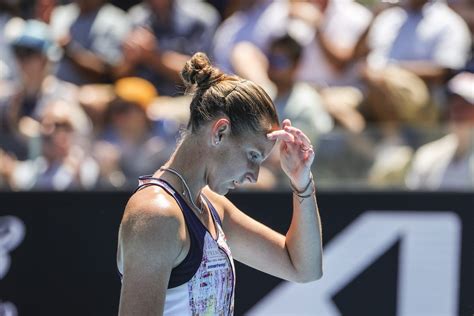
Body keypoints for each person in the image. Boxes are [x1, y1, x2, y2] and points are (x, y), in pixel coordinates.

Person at [117, 52, 323, 315]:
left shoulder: (212, 207)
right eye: (253, 156)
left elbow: (303, 268)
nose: (254, 175)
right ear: (220, 132)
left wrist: (301, 180)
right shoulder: (156, 214)